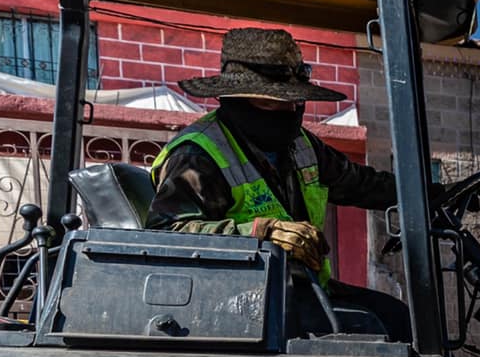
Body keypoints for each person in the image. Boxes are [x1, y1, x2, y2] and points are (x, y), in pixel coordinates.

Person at [149, 27, 411, 340]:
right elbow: (166, 235)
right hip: (238, 305)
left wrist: (424, 196)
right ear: (235, 99)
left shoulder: (300, 144)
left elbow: (357, 182)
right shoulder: (197, 155)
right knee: (367, 331)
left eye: (294, 101)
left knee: (400, 319)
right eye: (273, 103)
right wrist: (263, 233)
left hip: (301, 288)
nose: (288, 111)